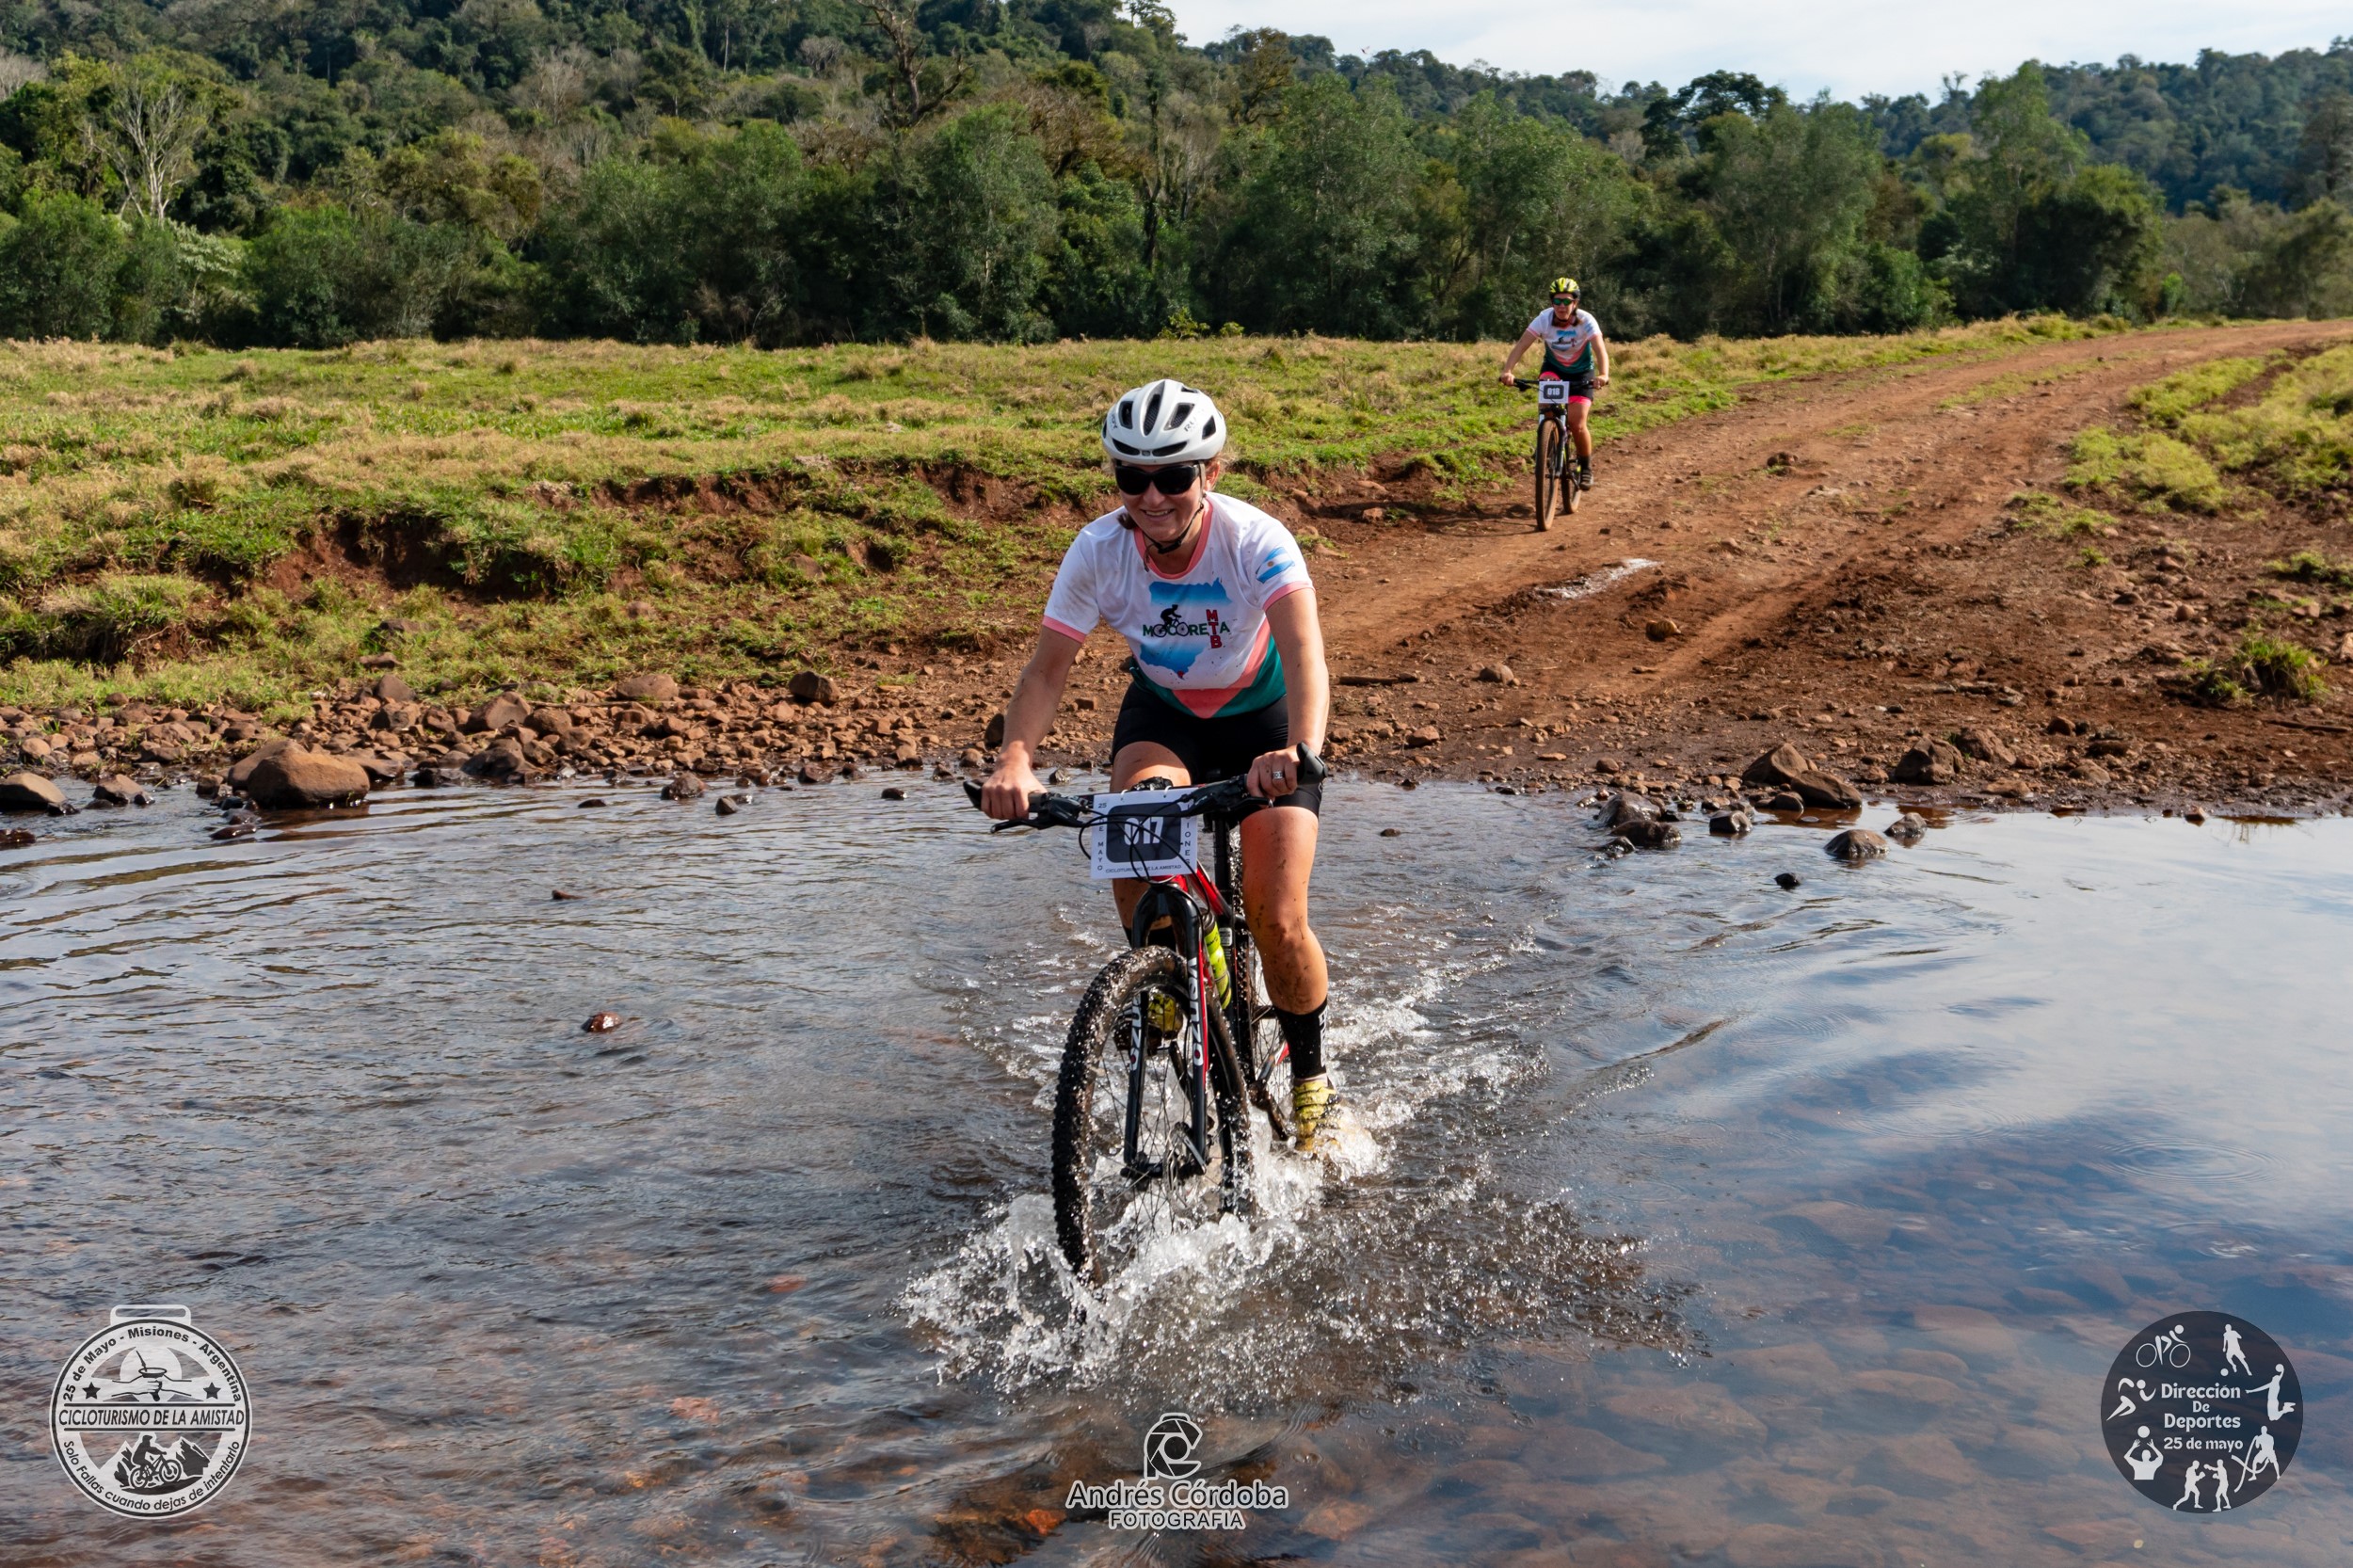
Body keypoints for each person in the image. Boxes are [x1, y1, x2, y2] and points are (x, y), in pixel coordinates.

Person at [980, 378, 1340, 1151]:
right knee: (1131, 832)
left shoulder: (1255, 539)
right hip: (1166, 717)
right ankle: (1166, 969)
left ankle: (1311, 1077)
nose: (1152, 497)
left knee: (1278, 918)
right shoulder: (1099, 550)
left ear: (1210, 473)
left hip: (1265, 721)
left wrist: (1300, 752)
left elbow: (1306, 653)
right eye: (1132, 477)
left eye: (1173, 476)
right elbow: (1046, 672)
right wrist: (1015, 759)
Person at [1497, 277, 1611, 489]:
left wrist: (1603, 374)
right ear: (1552, 303)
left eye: (1567, 301)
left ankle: (1585, 467)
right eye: (1557, 301)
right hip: (1554, 370)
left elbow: (1600, 349)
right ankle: (1546, 442)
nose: (1561, 306)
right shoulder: (1543, 319)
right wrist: (1508, 371)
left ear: (1575, 303)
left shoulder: (1586, 320)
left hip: (1581, 374)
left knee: (1577, 423)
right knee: (1548, 407)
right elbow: (1521, 345)